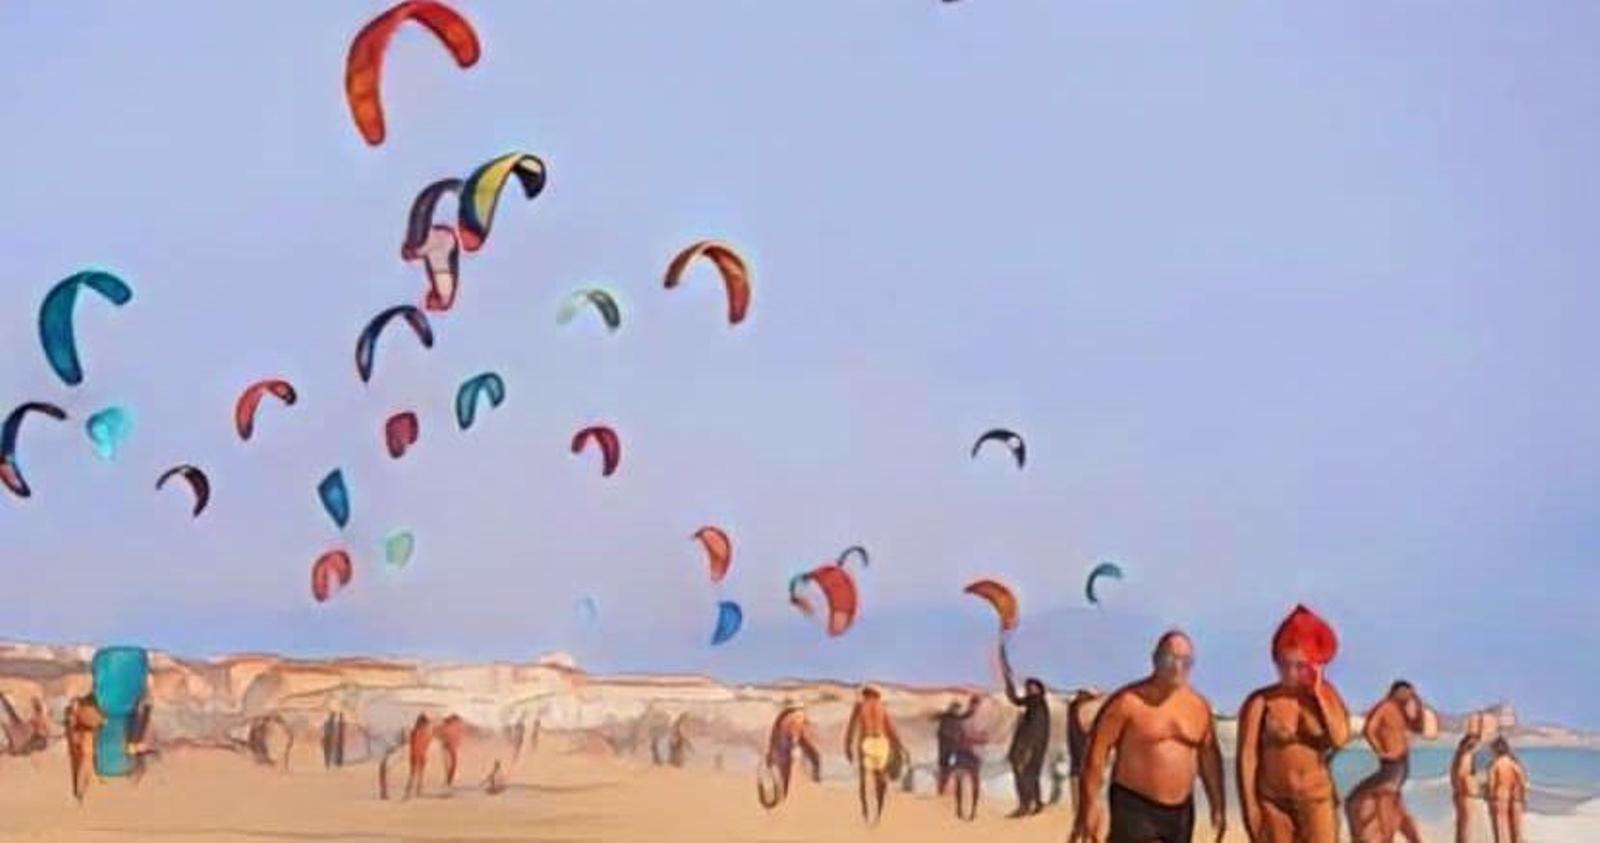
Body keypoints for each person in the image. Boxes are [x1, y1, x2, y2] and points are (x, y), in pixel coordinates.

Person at [1070, 630, 1226, 843]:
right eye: (1170, 659)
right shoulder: (1127, 702)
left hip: (1180, 811)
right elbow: (1096, 754)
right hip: (1135, 803)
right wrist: (1090, 806)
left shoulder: (1199, 707)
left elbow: (1210, 759)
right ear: (1155, 659)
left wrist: (1218, 806)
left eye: (1185, 662)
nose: (1177, 667)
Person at [1237, 606, 1352, 843]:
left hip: (1317, 799)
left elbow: (1340, 737)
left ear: (1313, 665)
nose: (1290, 672)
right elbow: (1247, 757)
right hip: (1274, 801)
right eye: (1284, 664)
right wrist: (1250, 808)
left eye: (1299, 666)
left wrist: (1319, 692)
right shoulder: (1261, 701)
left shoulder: (1326, 698)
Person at [1346, 681, 1437, 842]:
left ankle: (1389, 838)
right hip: (1390, 764)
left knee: (1385, 803)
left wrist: (1416, 699)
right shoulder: (1385, 707)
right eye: (1405, 692)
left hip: (1398, 765)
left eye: (1409, 693)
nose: (1407, 696)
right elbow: (1369, 729)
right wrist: (1380, 751)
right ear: (1396, 692)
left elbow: (1419, 727)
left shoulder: (1401, 711)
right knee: (1389, 805)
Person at [1000, 645, 1051, 817]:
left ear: (1038, 689)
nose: (1029, 689)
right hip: (1036, 744)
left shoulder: (1036, 703)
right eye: (1029, 687)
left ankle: (1026, 804)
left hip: (1031, 744)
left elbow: (1016, 701)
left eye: (1032, 687)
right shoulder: (1037, 703)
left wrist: (1007, 677)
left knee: (1025, 772)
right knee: (1031, 774)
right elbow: (1016, 700)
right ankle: (1034, 803)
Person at [844, 685, 905, 825]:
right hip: (881, 742)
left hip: (866, 742)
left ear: (865, 694)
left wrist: (847, 746)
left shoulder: (859, 706)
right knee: (880, 779)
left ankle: (865, 813)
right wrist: (900, 747)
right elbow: (891, 729)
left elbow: (851, 728)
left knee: (863, 781)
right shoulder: (881, 706)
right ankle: (879, 812)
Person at [933, 694, 984, 820]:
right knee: (944, 767)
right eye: (954, 708)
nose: (955, 710)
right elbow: (934, 717)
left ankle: (947, 792)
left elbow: (968, 714)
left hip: (955, 747)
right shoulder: (946, 716)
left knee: (952, 769)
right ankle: (942, 790)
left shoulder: (957, 718)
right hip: (946, 746)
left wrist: (974, 705)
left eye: (956, 708)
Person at [763, 700, 821, 805]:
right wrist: (814, 758)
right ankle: (781, 805)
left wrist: (770, 753)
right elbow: (800, 739)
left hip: (777, 752)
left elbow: (773, 738)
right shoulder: (796, 718)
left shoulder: (781, 718)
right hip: (785, 753)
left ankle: (777, 803)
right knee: (783, 784)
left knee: (779, 783)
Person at [1065, 688, 1102, 813]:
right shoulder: (1072, 707)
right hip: (1077, 750)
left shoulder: (1093, 708)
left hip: (1088, 748)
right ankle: (1079, 813)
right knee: (1076, 778)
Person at [65, 694, 105, 802]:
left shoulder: (84, 713)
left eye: (75, 704)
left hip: (87, 748)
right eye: (73, 704)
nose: (74, 706)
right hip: (79, 748)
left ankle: (80, 793)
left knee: (86, 771)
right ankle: (79, 794)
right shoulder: (73, 716)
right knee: (81, 771)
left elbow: (100, 723)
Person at [1487, 738, 1527, 843]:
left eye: (1492, 749)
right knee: (1515, 830)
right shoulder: (1514, 764)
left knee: (1500, 831)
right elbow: (1522, 782)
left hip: (1498, 798)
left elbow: (1491, 786)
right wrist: (1522, 798)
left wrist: (1489, 800)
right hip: (1513, 799)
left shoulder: (1494, 765)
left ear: (1496, 749)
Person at [1451, 727, 1481, 843]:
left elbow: (1458, 775)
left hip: (1461, 793)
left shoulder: (1461, 754)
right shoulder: (1465, 754)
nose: (1476, 745)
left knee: (1462, 824)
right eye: (1474, 742)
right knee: (1466, 826)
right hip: (1464, 794)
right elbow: (1461, 775)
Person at [405, 714, 434, 799]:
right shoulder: (419, 732)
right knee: (414, 774)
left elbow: (412, 742)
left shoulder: (417, 732)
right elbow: (413, 743)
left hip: (419, 754)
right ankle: (413, 791)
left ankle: (414, 791)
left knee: (416, 774)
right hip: (417, 754)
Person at [438, 714, 468, 788]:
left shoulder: (450, 728)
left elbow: (443, 737)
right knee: (450, 765)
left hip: (449, 748)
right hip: (448, 748)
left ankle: (449, 781)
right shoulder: (448, 728)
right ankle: (449, 781)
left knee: (450, 765)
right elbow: (443, 737)